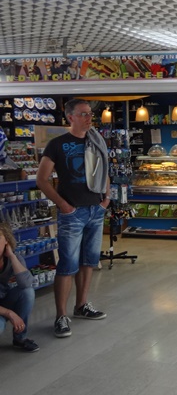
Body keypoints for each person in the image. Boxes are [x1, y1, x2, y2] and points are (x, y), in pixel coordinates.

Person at [36, 99, 110, 338]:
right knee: (67, 265)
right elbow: (42, 179)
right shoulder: (57, 144)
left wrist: (106, 199)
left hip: (95, 210)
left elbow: (104, 171)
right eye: (84, 114)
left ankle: (81, 305)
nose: (89, 118)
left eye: (90, 114)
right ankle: (61, 315)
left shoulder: (96, 141)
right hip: (72, 213)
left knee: (89, 261)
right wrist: (63, 205)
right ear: (70, 117)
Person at [0, 223, 39, 352]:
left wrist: (11, 255)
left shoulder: (14, 258)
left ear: (6, 240)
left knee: (27, 293)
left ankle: (20, 338)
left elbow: (27, 284)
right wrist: (9, 313)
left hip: (4, 299)